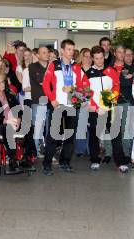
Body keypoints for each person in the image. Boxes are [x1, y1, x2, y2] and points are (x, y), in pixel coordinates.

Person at [42, 39, 90, 176]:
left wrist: (74, 90)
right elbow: (46, 84)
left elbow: (84, 86)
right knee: (52, 136)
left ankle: (65, 162)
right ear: (62, 50)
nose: (71, 52)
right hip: (57, 105)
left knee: (69, 136)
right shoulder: (54, 65)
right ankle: (47, 164)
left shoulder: (77, 67)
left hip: (72, 105)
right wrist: (52, 100)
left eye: (73, 49)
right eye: (69, 49)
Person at [87, 46, 128, 172]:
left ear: (104, 57)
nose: (99, 61)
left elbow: (116, 88)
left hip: (109, 107)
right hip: (95, 109)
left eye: (101, 58)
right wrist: (96, 107)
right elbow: (86, 92)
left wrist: (107, 103)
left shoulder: (111, 70)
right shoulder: (88, 73)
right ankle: (94, 160)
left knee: (115, 134)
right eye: (96, 58)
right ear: (93, 59)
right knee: (94, 135)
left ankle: (120, 162)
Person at [106, 45, 134, 163]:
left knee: (126, 129)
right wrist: (124, 79)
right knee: (110, 130)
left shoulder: (130, 68)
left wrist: (126, 79)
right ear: (115, 53)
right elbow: (108, 85)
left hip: (126, 102)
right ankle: (108, 153)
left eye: (124, 52)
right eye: (119, 52)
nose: (122, 54)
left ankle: (126, 153)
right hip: (111, 102)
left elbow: (130, 84)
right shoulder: (109, 68)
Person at [29, 47, 50, 158]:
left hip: (50, 101)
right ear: (37, 55)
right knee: (37, 128)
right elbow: (41, 81)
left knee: (49, 127)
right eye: (44, 52)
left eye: (47, 52)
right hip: (38, 101)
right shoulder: (32, 67)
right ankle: (35, 151)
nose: (47, 54)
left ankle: (47, 150)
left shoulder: (52, 66)